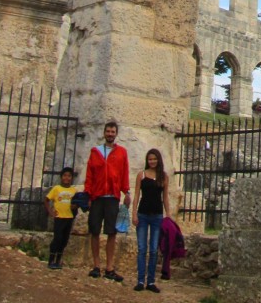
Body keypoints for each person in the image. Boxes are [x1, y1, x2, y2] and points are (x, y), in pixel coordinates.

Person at [84, 120, 130, 282]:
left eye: (113, 132)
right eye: (108, 131)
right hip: (97, 196)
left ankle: (109, 267)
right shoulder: (95, 151)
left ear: (116, 134)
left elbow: (124, 173)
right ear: (104, 133)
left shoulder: (122, 152)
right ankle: (96, 265)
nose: (110, 134)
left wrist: (127, 192)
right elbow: (90, 175)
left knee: (111, 232)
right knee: (94, 231)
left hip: (112, 197)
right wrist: (87, 194)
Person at [132, 148, 170, 293]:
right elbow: (136, 196)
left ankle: (151, 281)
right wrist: (134, 214)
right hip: (142, 214)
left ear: (158, 160)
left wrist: (169, 215)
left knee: (154, 249)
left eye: (154, 159)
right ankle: (140, 280)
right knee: (142, 249)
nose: (152, 161)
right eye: (150, 159)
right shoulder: (141, 175)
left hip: (157, 216)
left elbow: (165, 197)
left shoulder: (164, 177)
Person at [44, 166, 77, 269]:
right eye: (65, 176)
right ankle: (51, 260)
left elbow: (76, 204)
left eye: (69, 176)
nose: (66, 178)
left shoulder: (73, 190)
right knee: (57, 238)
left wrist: (75, 207)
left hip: (69, 217)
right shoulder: (57, 189)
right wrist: (50, 211)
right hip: (59, 217)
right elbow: (46, 200)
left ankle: (58, 260)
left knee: (64, 240)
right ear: (61, 177)